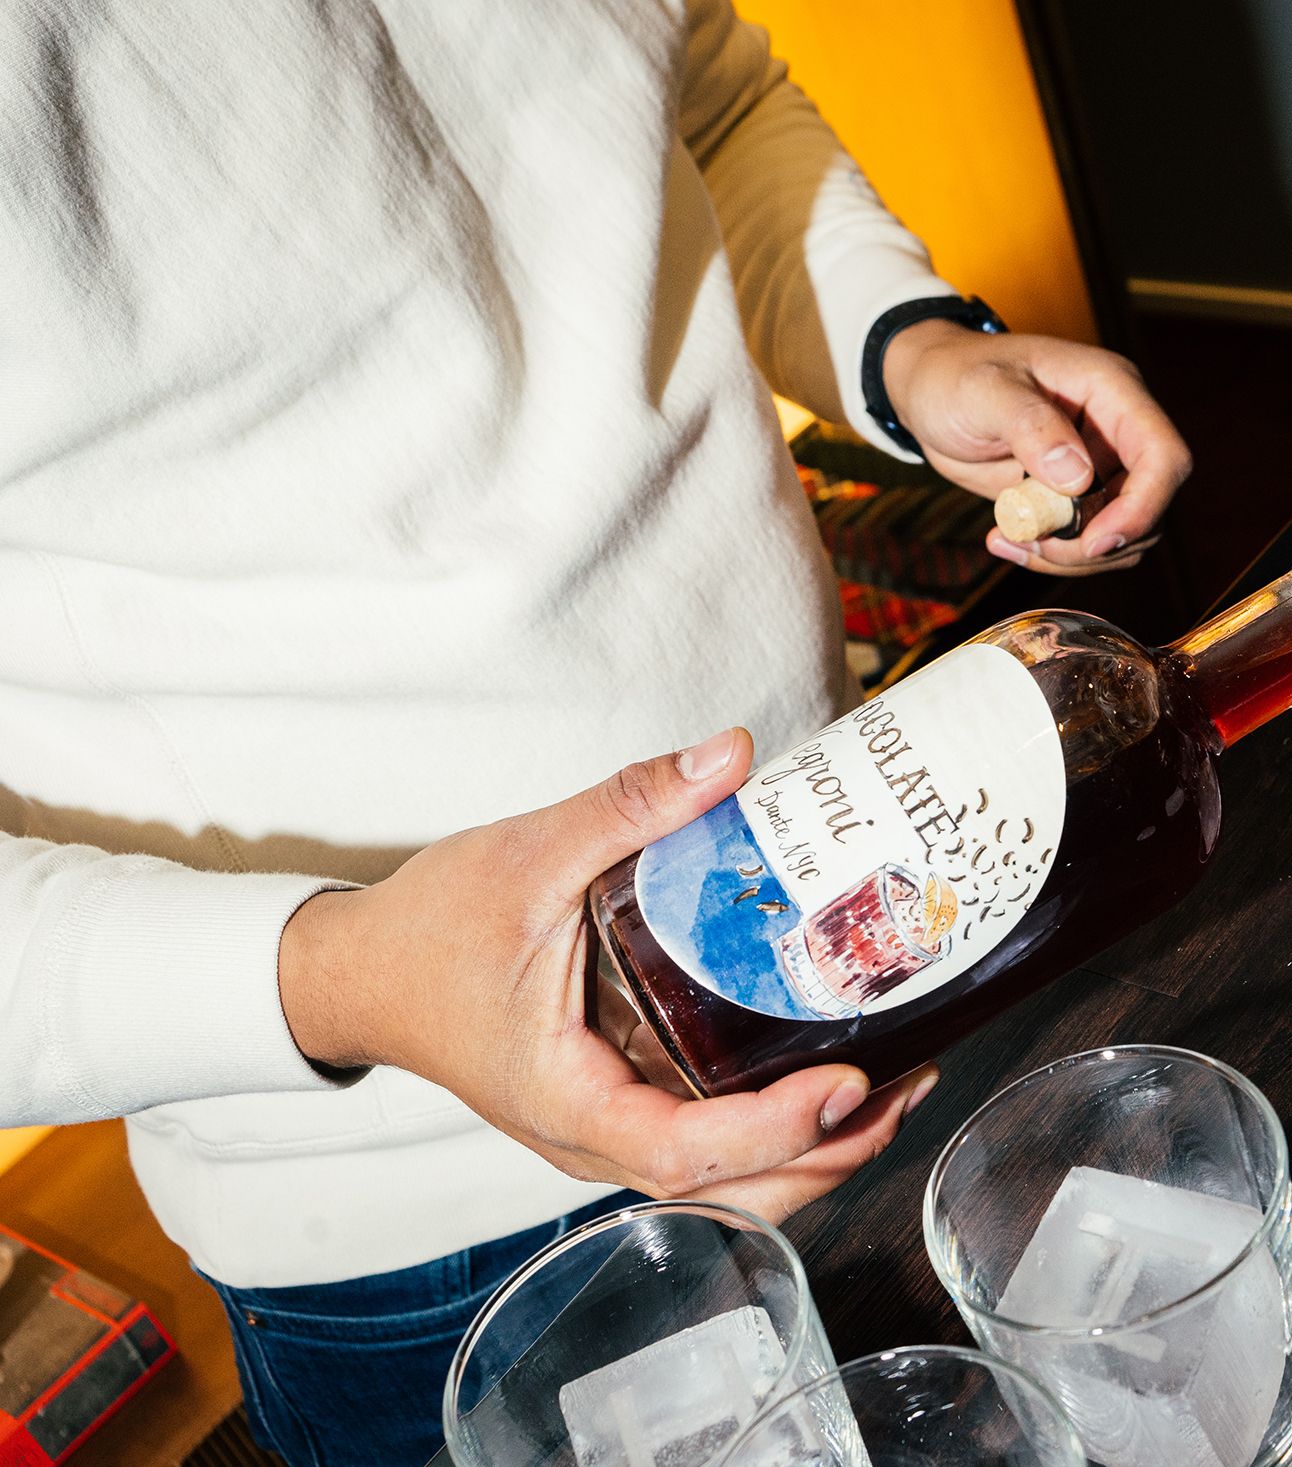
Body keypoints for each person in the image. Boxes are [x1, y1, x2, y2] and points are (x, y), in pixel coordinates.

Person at [0, 4, 1191, 1464]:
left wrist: (909, 343)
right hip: (433, 1216)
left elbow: (702, 91)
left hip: (865, 956)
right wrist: (349, 972)